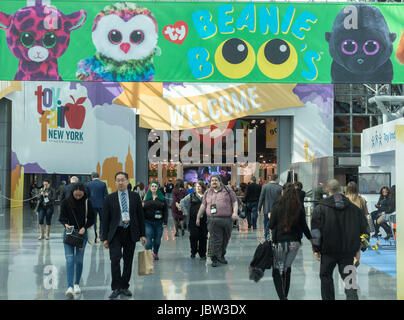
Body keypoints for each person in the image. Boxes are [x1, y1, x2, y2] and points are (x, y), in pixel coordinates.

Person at [311, 179, 369, 300]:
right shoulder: (355, 209)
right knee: (350, 280)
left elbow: (316, 232)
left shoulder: (320, 209)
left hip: (328, 252)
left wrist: (316, 249)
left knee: (326, 277)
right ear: (341, 190)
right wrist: (360, 248)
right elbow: (365, 230)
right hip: (348, 252)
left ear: (327, 190)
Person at [102, 172, 146, 299]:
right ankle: (116, 287)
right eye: (118, 180)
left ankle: (124, 286)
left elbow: (140, 216)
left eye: (123, 180)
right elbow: (105, 220)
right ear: (115, 182)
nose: (120, 182)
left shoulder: (135, 196)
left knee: (128, 260)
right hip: (115, 233)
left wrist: (143, 234)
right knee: (115, 259)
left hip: (130, 232)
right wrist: (104, 238)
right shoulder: (109, 198)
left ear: (127, 181)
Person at [268, 182, 312, 300]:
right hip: (294, 243)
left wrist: (269, 217)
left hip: (280, 242)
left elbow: (271, 225)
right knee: (287, 269)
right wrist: (311, 240)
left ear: (283, 192)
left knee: (277, 270)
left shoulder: (277, 206)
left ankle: (282, 297)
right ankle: (285, 295)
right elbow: (304, 226)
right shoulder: (299, 207)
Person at [59, 183, 95, 298]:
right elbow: (61, 217)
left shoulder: (87, 202)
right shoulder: (66, 202)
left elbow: (91, 218)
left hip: (81, 234)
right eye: (76, 195)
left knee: (79, 260)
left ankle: (76, 284)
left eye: (80, 195)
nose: (78, 197)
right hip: (69, 233)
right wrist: (65, 224)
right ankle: (69, 286)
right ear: (72, 192)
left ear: (84, 193)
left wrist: (84, 227)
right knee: (70, 259)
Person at [196, 175, 238, 267]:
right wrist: (198, 217)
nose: (214, 182)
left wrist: (235, 212)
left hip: (227, 220)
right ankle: (214, 258)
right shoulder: (207, 192)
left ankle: (221, 256)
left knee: (225, 239)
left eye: (215, 180)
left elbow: (235, 202)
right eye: (212, 181)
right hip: (213, 220)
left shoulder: (228, 191)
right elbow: (203, 206)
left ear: (220, 181)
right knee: (215, 239)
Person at [180, 181, 208, 259]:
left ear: (202, 187)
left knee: (203, 237)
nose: (198, 188)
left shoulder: (207, 196)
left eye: (199, 186)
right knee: (193, 236)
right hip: (193, 220)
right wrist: (185, 211)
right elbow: (182, 202)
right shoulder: (191, 196)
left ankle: (202, 253)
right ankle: (193, 251)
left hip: (204, 220)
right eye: (196, 186)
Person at [345, 181, 369, 267]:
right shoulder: (361, 199)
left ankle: (351, 259)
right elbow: (366, 213)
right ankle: (356, 259)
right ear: (357, 189)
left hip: (347, 225)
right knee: (358, 245)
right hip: (359, 225)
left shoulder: (344, 199)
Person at [143, 181, 168, 261]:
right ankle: (148, 254)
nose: (154, 187)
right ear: (150, 188)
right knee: (148, 240)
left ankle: (155, 253)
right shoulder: (146, 198)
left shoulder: (162, 198)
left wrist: (165, 222)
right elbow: (142, 210)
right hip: (147, 222)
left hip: (159, 222)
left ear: (157, 188)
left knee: (157, 240)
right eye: (152, 186)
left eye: (155, 186)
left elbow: (165, 211)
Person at [258, 174, 282, 240]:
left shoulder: (265, 186)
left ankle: (267, 238)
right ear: (276, 179)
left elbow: (261, 198)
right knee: (276, 224)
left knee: (266, 225)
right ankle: (275, 237)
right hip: (277, 210)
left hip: (267, 209)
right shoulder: (280, 187)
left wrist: (259, 208)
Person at [85, 172, 109, 242]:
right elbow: (106, 195)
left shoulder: (88, 184)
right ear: (99, 176)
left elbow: (87, 195)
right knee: (102, 220)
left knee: (94, 221)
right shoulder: (103, 184)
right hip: (102, 205)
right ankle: (101, 234)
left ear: (92, 177)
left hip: (92, 205)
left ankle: (95, 236)